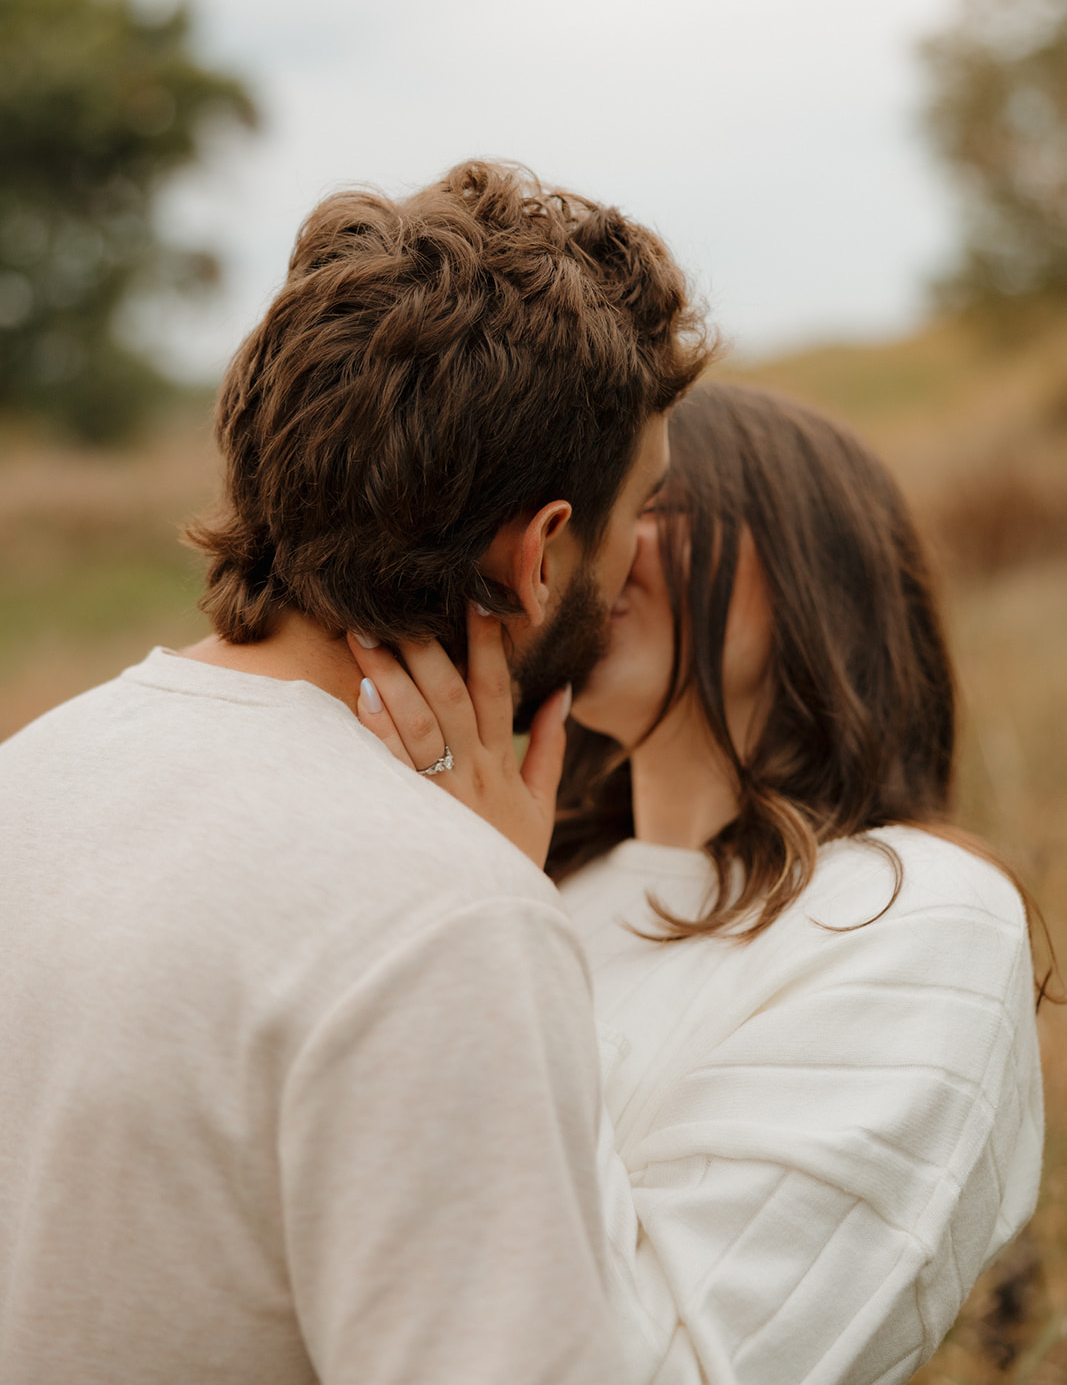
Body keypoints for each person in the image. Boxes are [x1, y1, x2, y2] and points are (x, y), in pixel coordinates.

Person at [0, 159, 709, 1384]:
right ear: (540, 553)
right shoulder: (448, 924)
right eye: (636, 508)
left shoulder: (33, 774)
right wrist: (469, 889)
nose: (640, 558)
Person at [355, 380, 1046, 1385]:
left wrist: (481, 916)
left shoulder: (916, 911)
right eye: (571, 515)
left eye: (646, 506)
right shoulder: (542, 881)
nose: (587, 550)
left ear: (814, 555)